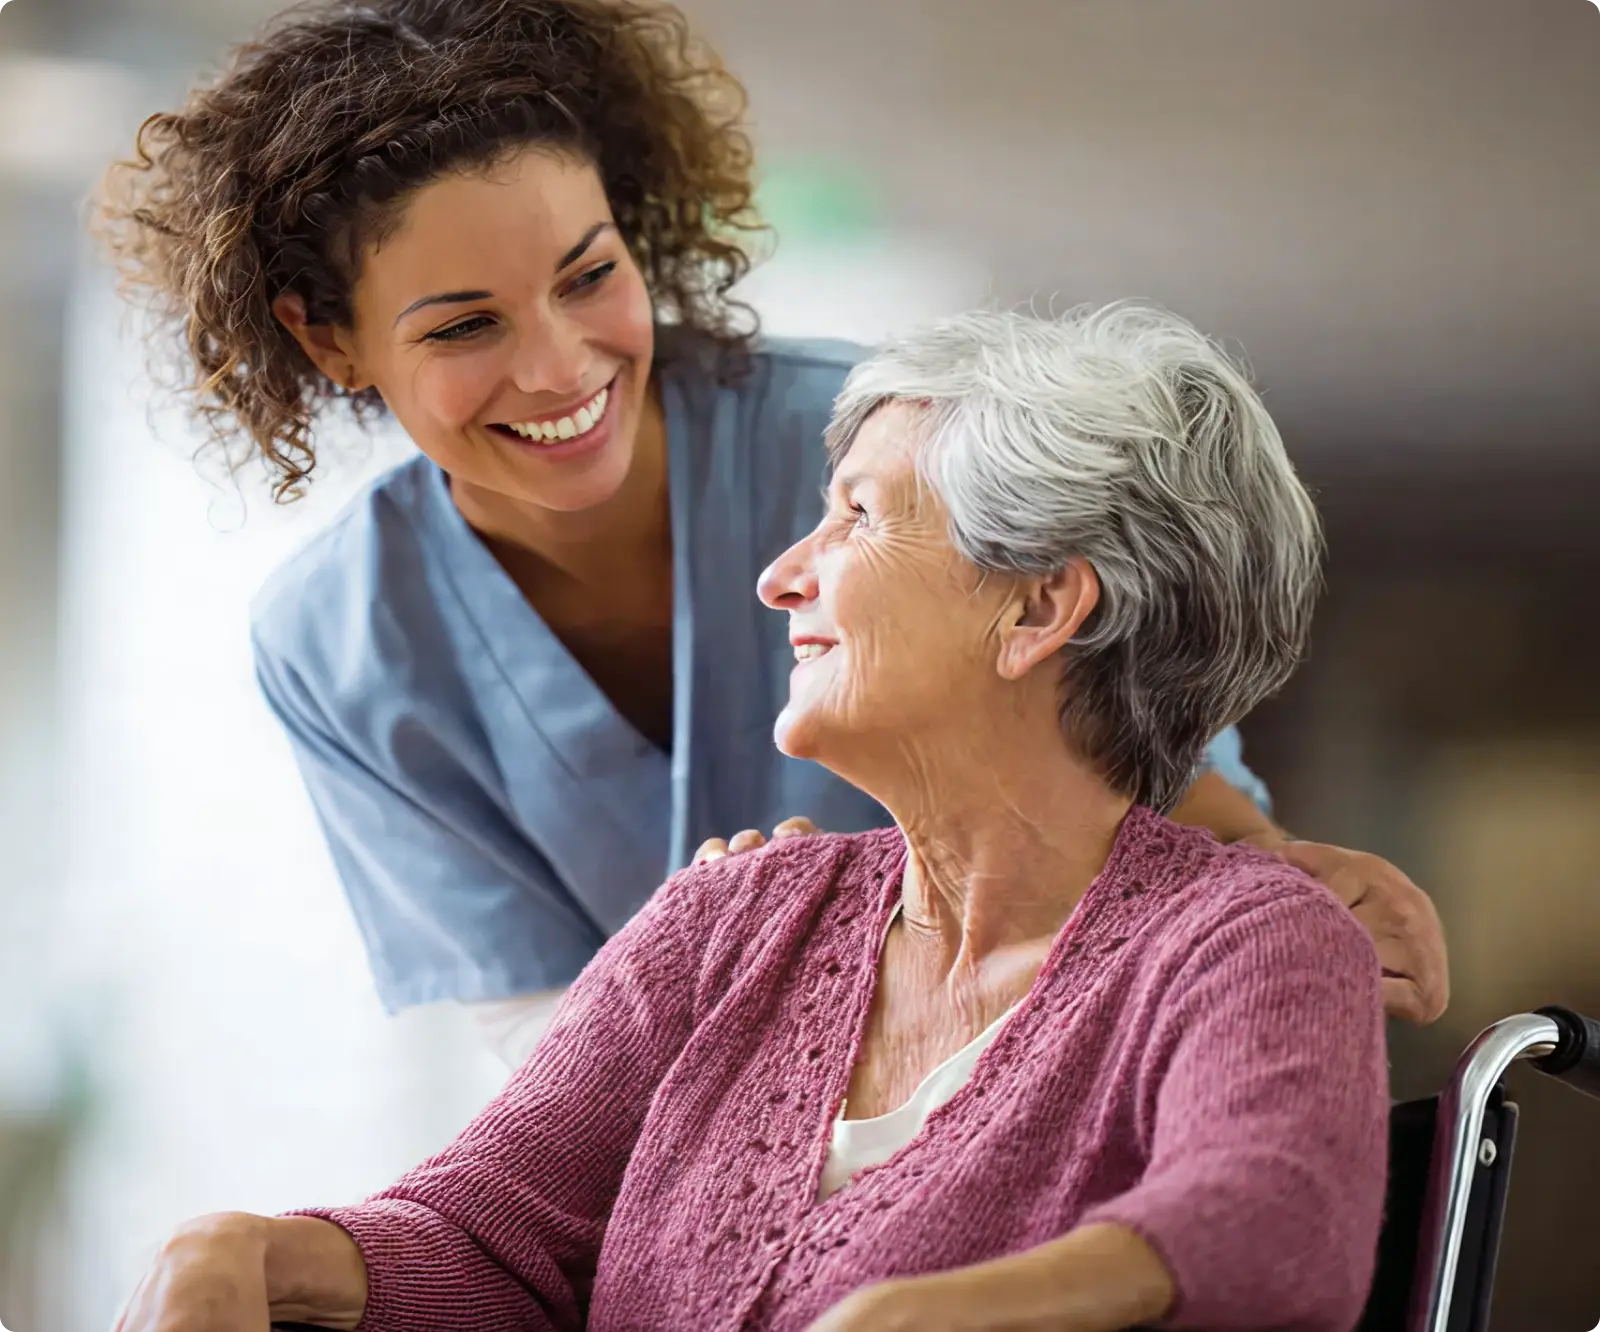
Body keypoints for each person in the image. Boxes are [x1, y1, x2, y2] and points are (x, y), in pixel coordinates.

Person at [93, 0, 1445, 1066]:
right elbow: (556, 1067)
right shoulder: (339, 646)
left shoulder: (881, 444)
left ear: (639, 230)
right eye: (463, 326)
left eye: (590, 277)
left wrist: (1298, 889)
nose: (561, 367)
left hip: (1044, 1078)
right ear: (324, 339)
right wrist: (746, 972)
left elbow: (1132, 761)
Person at [119, 304, 1390, 1332]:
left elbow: (1272, 1230)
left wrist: (927, 1319)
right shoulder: (727, 920)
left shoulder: (1248, 939)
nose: (782, 573)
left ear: (1037, 610)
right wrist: (249, 1251)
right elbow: (481, 1236)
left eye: (857, 515)